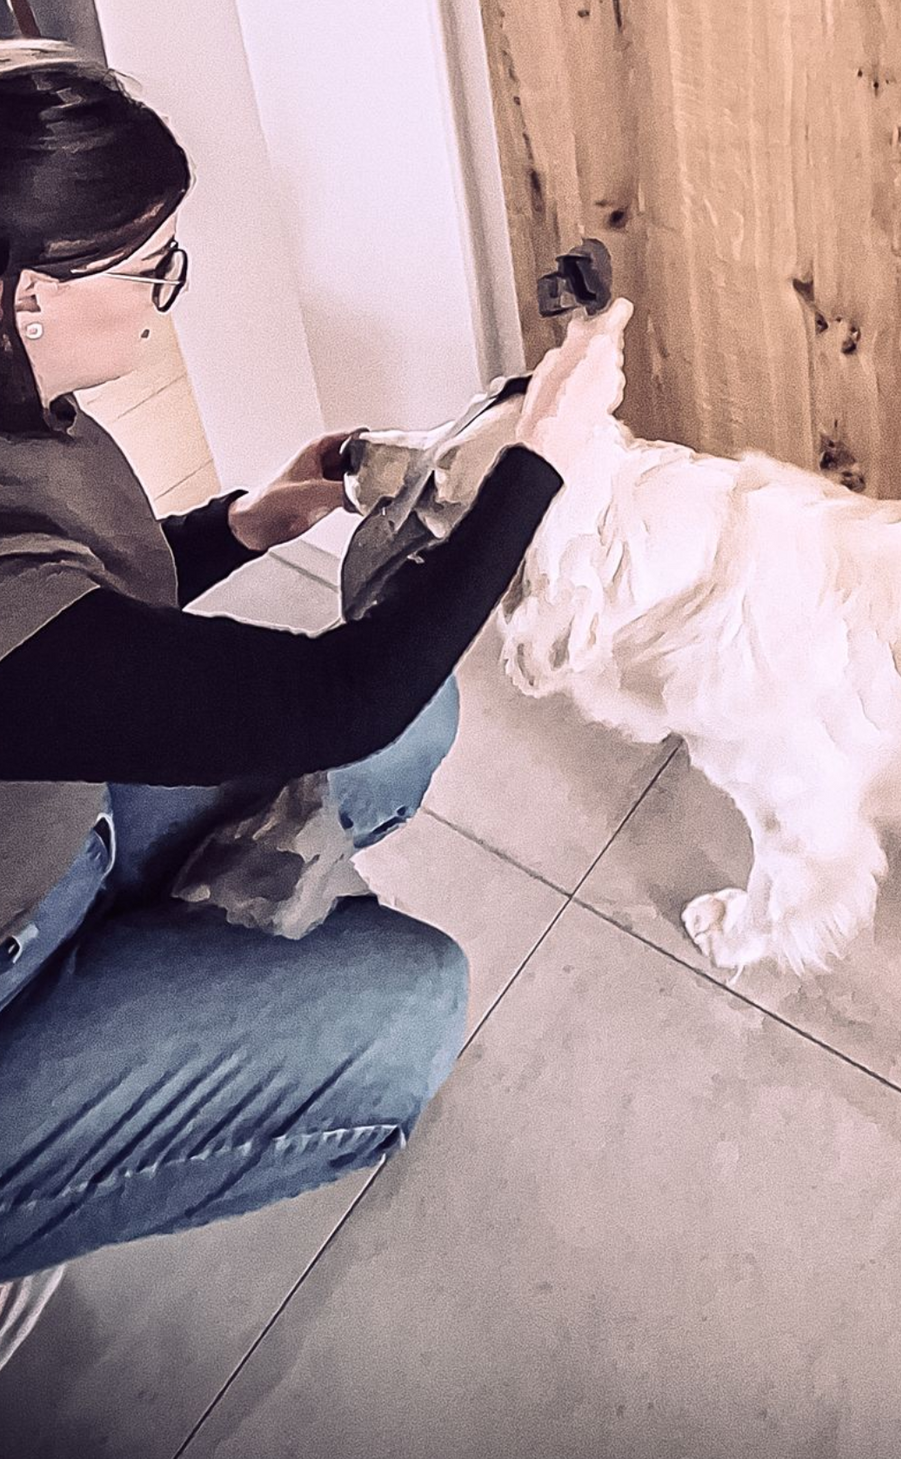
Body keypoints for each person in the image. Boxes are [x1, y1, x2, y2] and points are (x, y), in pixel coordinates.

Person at [0, 39, 629, 1366]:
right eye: (145, 266)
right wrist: (542, 467)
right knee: (407, 1011)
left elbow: (83, 615)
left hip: (57, 840)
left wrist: (246, 520)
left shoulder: (26, 409)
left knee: (418, 719)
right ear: (30, 296)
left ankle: (135, 969)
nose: (165, 299)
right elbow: (342, 694)